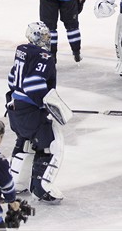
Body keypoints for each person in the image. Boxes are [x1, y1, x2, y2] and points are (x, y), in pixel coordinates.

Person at [6, 21, 72, 203]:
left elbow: (12, 80)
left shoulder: (22, 50)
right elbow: (33, 84)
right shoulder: (44, 56)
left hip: (15, 110)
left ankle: (16, 183)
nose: (47, 39)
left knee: (24, 141)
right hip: (31, 113)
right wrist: (46, 105)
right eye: (43, 36)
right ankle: (42, 187)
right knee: (51, 144)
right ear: (35, 37)